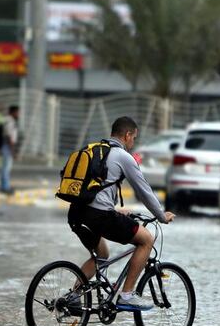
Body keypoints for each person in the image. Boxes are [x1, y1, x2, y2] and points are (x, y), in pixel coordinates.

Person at [67, 116, 175, 311]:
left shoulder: (94, 150)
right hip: (100, 216)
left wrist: (115, 210)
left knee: (102, 255)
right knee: (146, 240)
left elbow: (95, 191)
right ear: (127, 135)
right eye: (133, 138)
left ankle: (73, 296)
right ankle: (127, 295)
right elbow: (144, 191)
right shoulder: (123, 156)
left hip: (77, 213)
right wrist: (161, 215)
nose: (133, 143)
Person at [0, 105, 19, 194]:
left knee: (6, 167)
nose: (18, 114)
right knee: (6, 168)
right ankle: (5, 187)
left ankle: (4, 186)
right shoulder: (9, 121)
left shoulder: (10, 121)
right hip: (8, 146)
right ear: (13, 112)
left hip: (7, 146)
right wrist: (13, 150)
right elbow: (9, 136)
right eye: (17, 112)